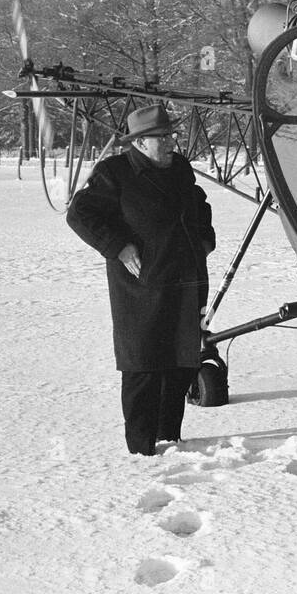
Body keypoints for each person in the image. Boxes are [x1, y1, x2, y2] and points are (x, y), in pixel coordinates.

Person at [66, 105, 216, 456]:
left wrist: (204, 241)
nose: (170, 142)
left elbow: (200, 204)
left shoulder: (179, 168)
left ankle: (169, 438)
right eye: (161, 137)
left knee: (180, 363)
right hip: (141, 287)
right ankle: (141, 449)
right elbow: (80, 213)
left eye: (171, 135)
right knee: (143, 366)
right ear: (140, 143)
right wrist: (117, 246)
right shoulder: (115, 173)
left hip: (185, 281)